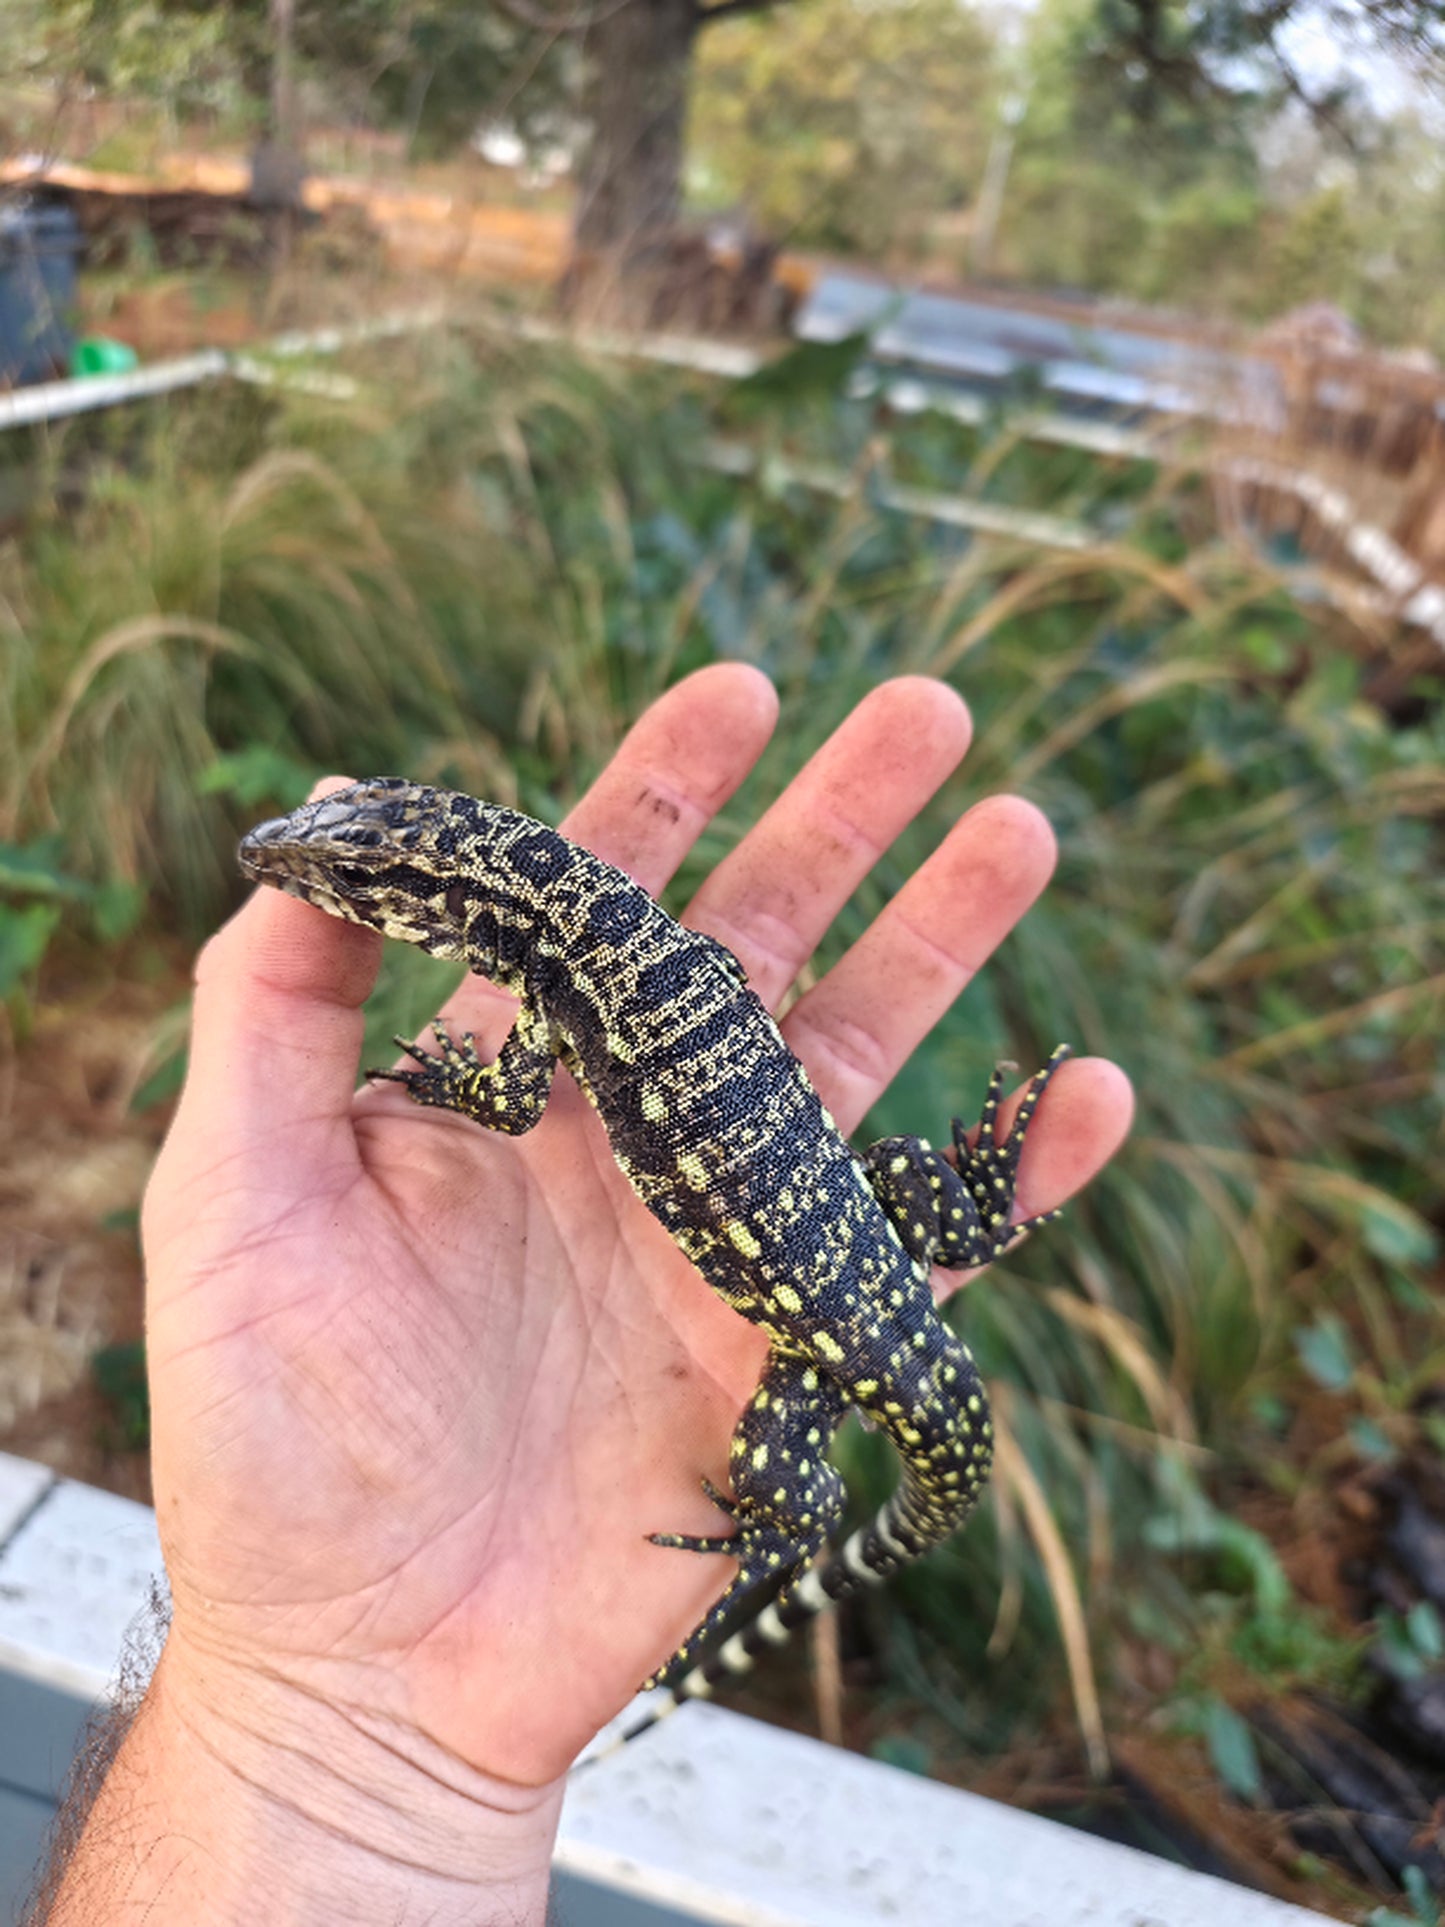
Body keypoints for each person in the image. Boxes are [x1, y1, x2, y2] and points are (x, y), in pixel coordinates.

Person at [39, 668, 1132, 1925]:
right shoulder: (601, 912)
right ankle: (966, 1216)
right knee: (888, 1177)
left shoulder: (559, 982)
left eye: (343, 882)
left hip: (837, 1334)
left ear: (441, 910)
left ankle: (796, 1530)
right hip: (858, 1249)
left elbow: (511, 1102)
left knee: (783, 1461)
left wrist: (453, 1087)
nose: (307, 879)